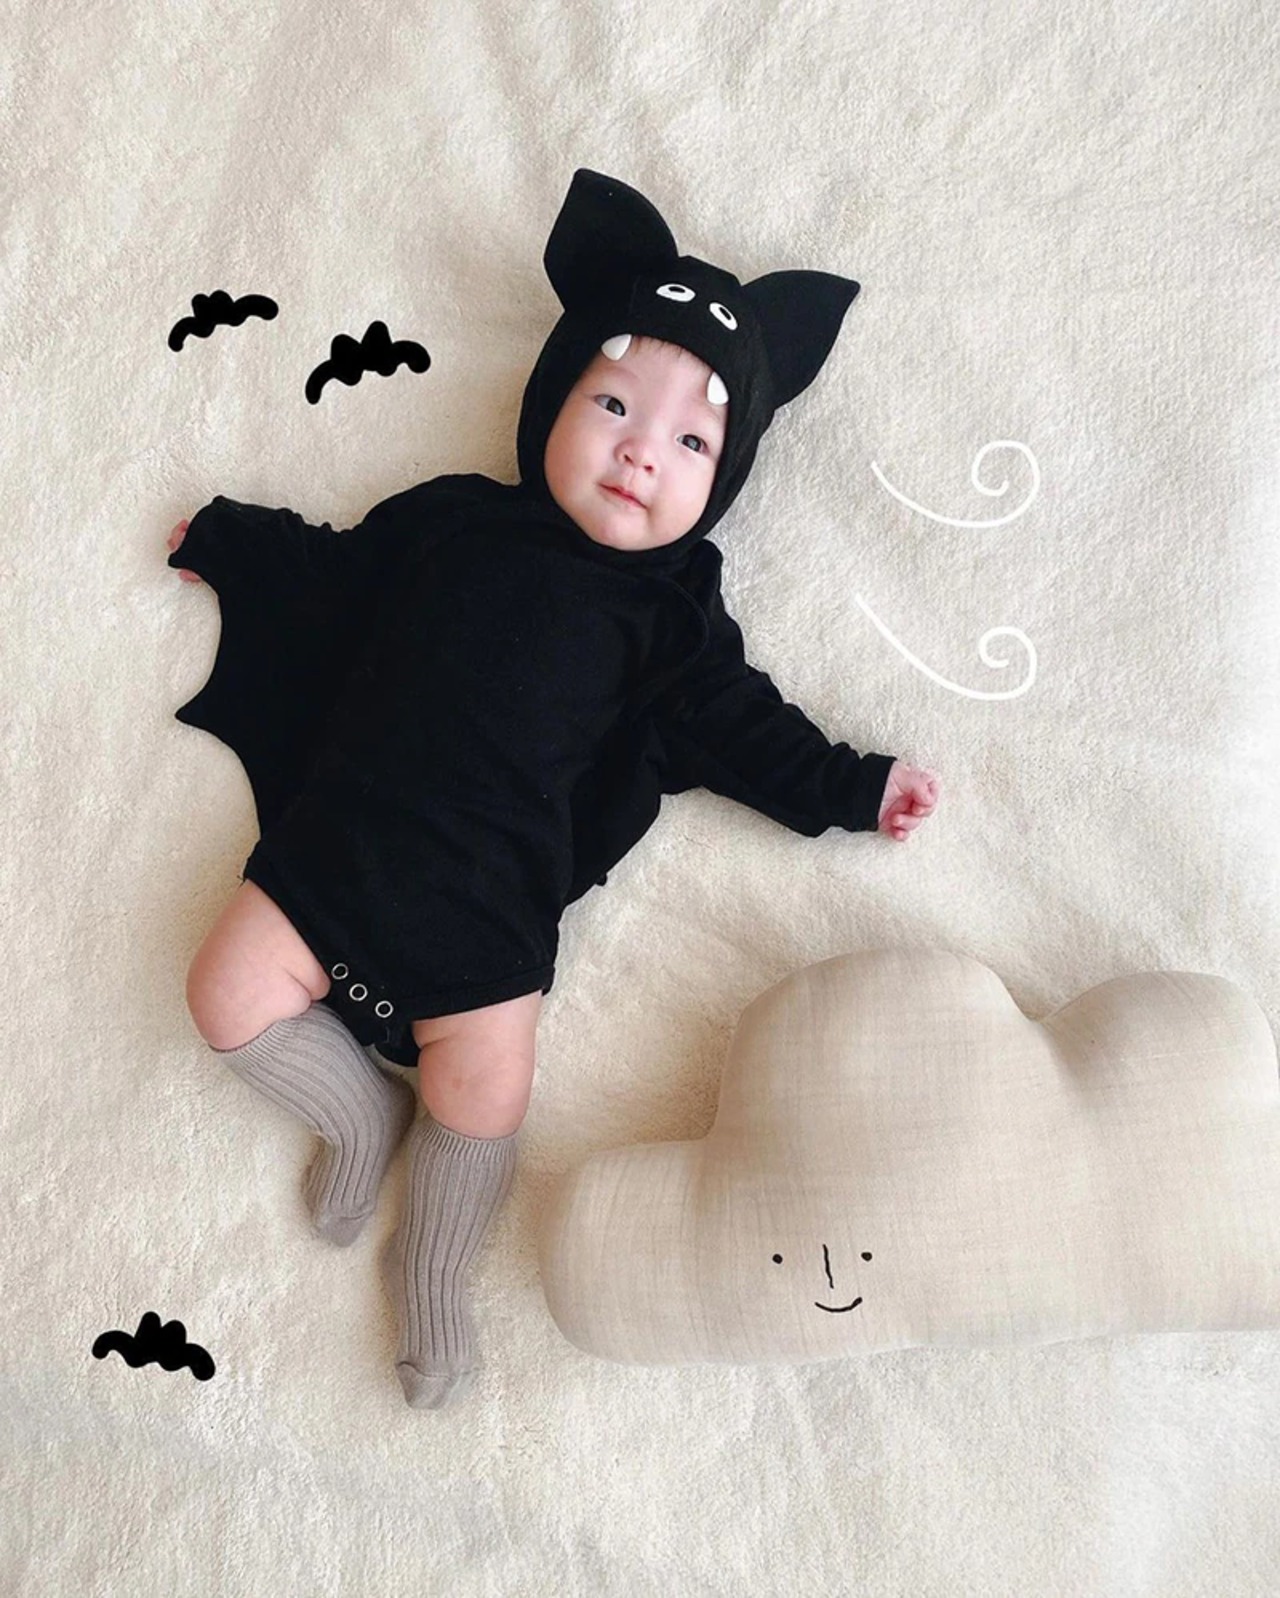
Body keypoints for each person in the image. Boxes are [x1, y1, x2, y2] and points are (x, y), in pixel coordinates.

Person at [163, 170, 941, 1411]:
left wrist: (857, 784)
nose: (640, 450)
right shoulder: (456, 520)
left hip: (490, 914)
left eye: (690, 441)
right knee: (221, 991)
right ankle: (358, 1118)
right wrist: (231, 540)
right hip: (337, 852)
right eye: (613, 404)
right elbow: (334, 573)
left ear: (724, 477)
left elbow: (748, 730)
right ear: (551, 401)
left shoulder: (672, 617)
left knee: (486, 1088)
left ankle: (430, 1267)